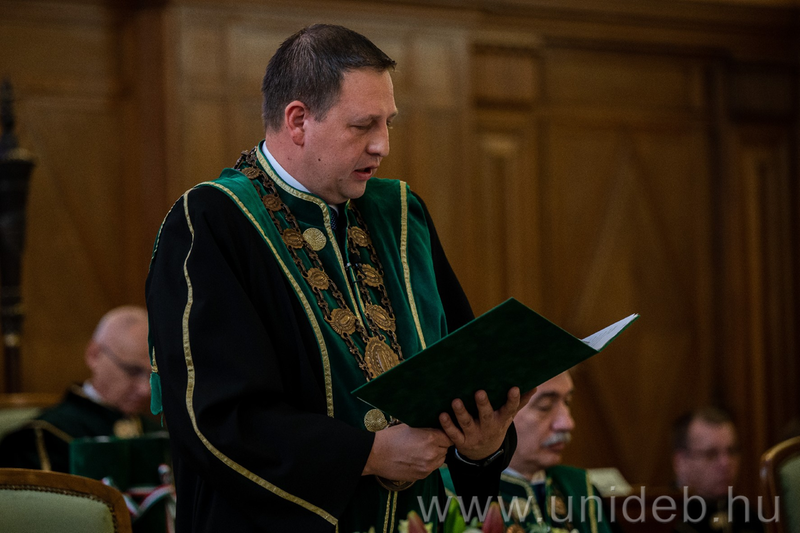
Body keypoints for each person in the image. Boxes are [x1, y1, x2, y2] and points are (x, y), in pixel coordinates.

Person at [145, 23, 531, 533]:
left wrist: (481, 446)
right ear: (298, 121)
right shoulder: (213, 221)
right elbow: (214, 418)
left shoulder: (401, 215)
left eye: (388, 123)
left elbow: (462, 368)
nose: (382, 145)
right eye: (363, 125)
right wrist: (367, 454)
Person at [0, 305, 157, 472]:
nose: (146, 390)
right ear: (94, 354)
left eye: (153, 375)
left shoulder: (155, 432)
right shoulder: (40, 438)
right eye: (133, 371)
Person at [499, 371, 615, 532]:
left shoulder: (578, 487)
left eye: (567, 402)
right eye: (545, 406)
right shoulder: (464, 495)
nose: (567, 423)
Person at [671, 407, 763, 533]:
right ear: (680, 462)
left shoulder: (749, 518)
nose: (725, 463)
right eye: (711, 454)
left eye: (732, 451)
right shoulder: (663, 519)